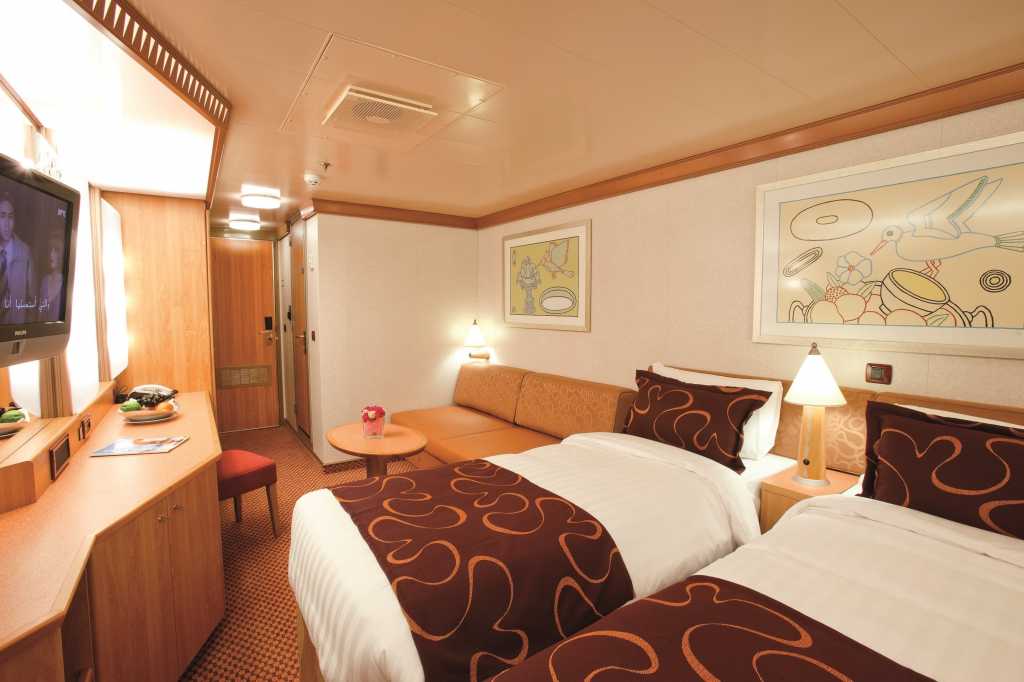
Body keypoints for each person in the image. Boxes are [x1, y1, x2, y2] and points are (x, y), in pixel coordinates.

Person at [0, 193, 37, 324]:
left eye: (10, 217)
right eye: (2, 216)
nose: (6, 224)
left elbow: (33, 299)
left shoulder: (25, 252)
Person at [38, 230, 64, 322]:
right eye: (50, 249)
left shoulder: (66, 285)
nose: (51, 254)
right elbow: (39, 317)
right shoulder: (45, 281)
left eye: (56, 250)